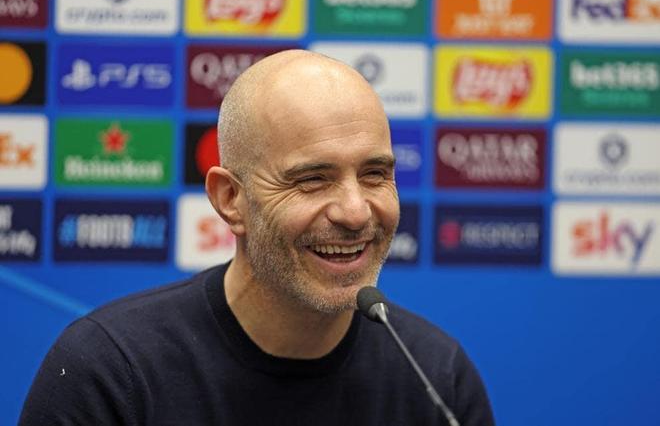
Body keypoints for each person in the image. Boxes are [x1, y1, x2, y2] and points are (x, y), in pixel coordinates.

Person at [19, 50, 495, 426]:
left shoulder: (438, 376)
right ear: (230, 198)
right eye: (312, 180)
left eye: (375, 174)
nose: (355, 212)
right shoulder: (111, 371)